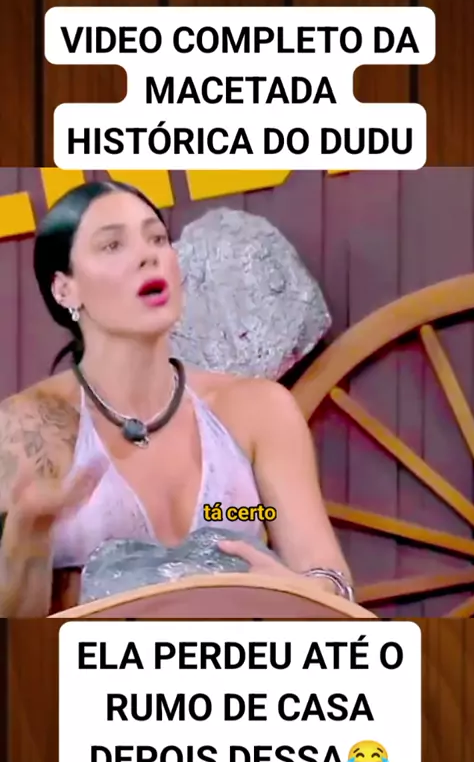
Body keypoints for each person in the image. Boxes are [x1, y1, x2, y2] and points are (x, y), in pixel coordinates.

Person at [0, 180, 352, 617]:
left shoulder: (259, 410)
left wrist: (309, 589)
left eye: (157, 239)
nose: (148, 256)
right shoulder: (28, 428)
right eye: (112, 245)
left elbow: (326, 576)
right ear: (64, 289)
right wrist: (27, 535)